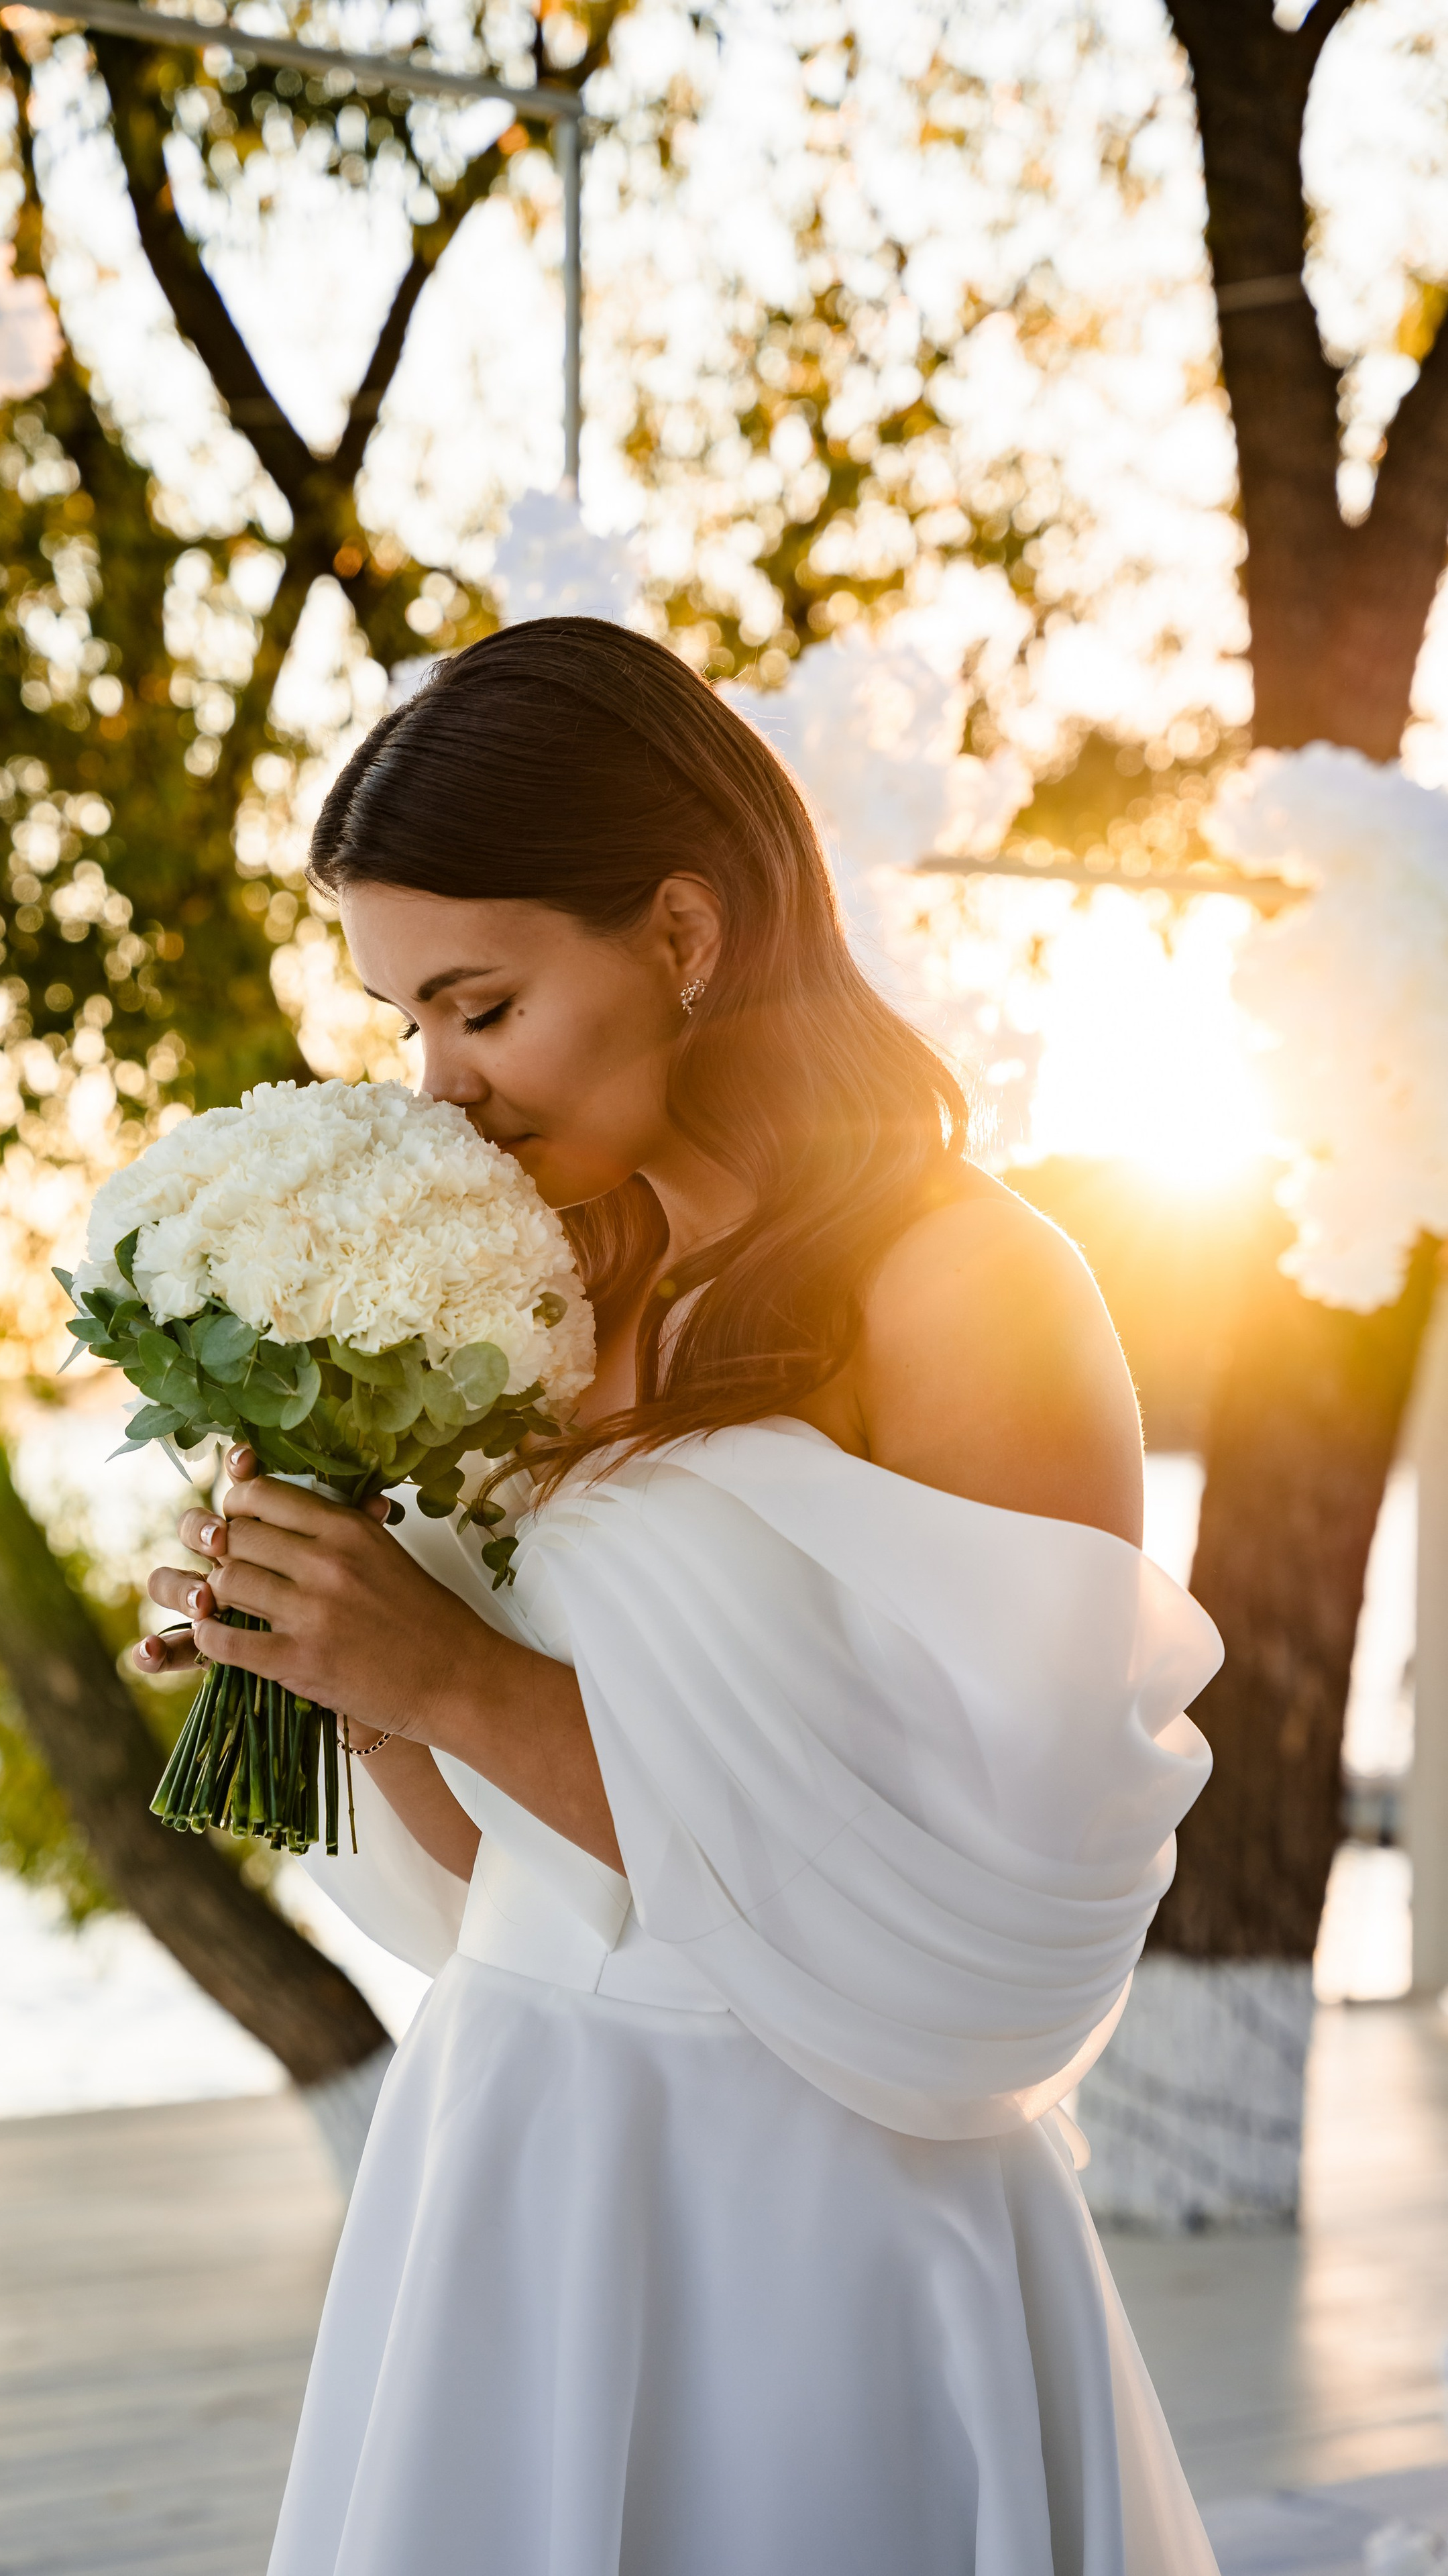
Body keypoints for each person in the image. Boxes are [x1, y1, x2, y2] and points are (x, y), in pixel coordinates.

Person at [136, 618, 1221, 2576]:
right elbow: (509, 1886)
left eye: (482, 1003)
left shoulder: (970, 1288)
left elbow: (984, 1928)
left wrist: (451, 1669)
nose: (436, 1086)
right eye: (404, 1022)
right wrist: (333, 1658)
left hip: (823, 2223)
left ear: (687, 936)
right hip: (518, 2166)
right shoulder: (530, 1298)